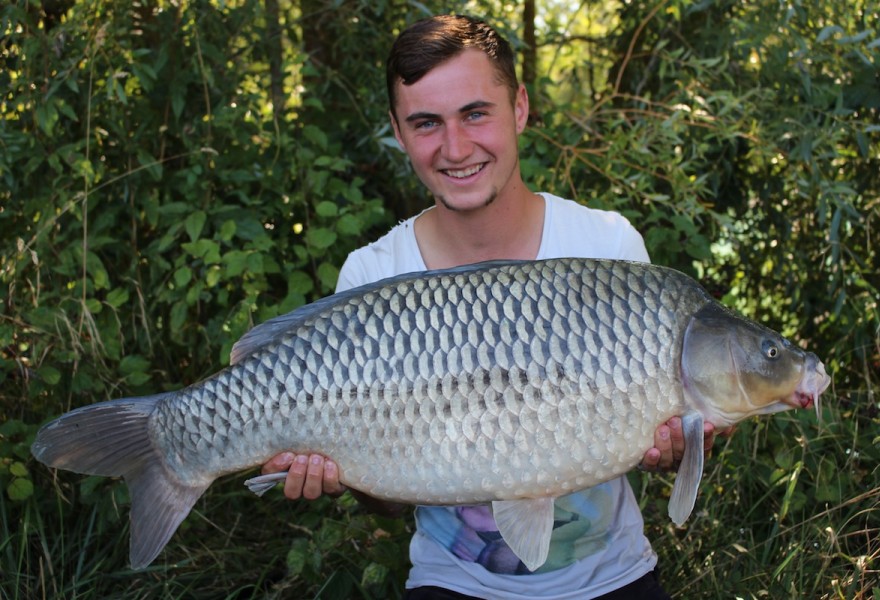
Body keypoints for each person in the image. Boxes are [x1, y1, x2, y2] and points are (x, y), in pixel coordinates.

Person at [262, 15, 726, 599]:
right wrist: (341, 472)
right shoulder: (373, 275)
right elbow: (382, 501)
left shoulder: (608, 249)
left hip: (614, 577)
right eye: (427, 123)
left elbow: (663, 436)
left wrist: (675, 450)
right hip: (450, 582)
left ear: (520, 109)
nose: (456, 149)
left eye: (476, 113)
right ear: (398, 133)